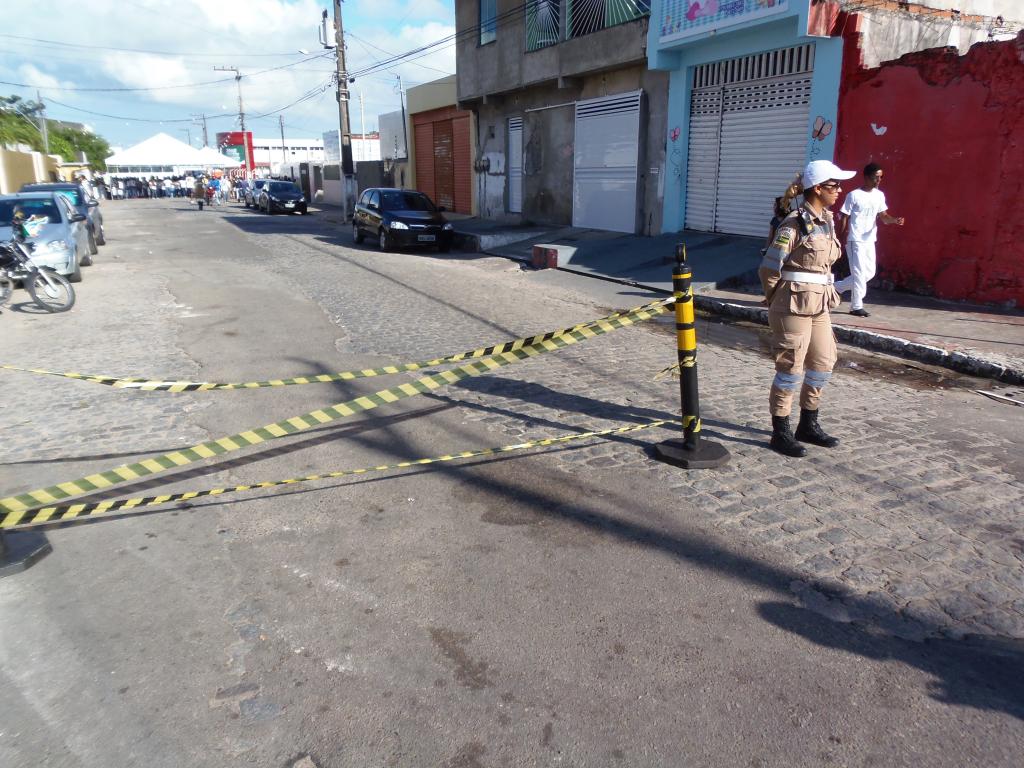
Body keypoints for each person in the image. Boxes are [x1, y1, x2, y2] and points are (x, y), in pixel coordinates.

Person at [760, 159, 856, 457]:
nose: (839, 190)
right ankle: (781, 432)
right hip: (792, 304)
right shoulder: (793, 224)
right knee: (790, 368)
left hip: (820, 304)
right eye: (834, 185)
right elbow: (769, 268)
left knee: (823, 362)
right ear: (817, 189)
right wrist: (776, 299)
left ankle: (808, 424)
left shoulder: (827, 220)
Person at [834, 162, 905, 317]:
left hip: (870, 240)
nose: (879, 180)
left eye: (881, 177)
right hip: (855, 240)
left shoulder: (879, 195)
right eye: (876, 177)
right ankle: (856, 306)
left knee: (869, 273)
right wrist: (839, 238)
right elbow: (844, 217)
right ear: (866, 177)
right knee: (859, 274)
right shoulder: (853, 195)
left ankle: (836, 287)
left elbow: (884, 216)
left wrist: (895, 220)